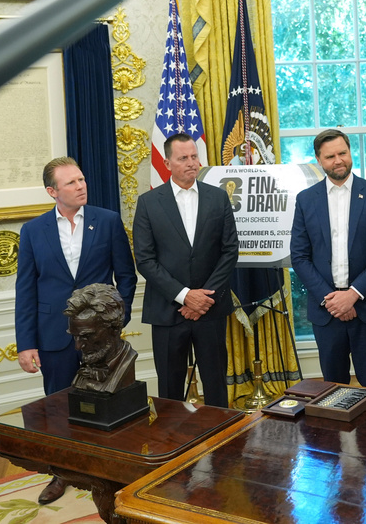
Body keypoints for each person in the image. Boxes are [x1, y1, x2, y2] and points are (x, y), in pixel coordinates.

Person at [14, 156, 136, 504]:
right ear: (52, 191)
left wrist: (115, 322)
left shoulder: (108, 221)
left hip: (103, 337)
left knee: (108, 404)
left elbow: (126, 277)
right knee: (58, 406)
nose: (81, 186)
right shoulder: (34, 231)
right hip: (54, 334)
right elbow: (26, 290)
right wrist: (26, 344)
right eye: (71, 183)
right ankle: (61, 473)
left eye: (81, 179)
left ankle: (109, 471)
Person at [133, 133, 239, 407]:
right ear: (167, 162)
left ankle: (221, 440)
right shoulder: (148, 203)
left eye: (194, 156)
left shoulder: (217, 198)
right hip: (168, 312)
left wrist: (202, 299)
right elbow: (145, 259)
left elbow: (230, 251)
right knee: (169, 387)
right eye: (183, 158)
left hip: (210, 309)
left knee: (216, 384)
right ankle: (174, 444)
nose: (192, 163)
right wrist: (183, 296)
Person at [289, 129, 366, 389]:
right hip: (326, 312)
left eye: (343, 153)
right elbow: (300, 257)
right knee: (332, 389)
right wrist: (332, 299)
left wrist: (352, 295)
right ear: (319, 160)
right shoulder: (305, 200)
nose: (338, 160)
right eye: (330, 156)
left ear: (350, 152)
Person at [64, 283, 138, 394]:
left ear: (114, 328)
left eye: (87, 336)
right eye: (75, 336)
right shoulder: (86, 368)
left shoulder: (125, 363)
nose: (78, 346)